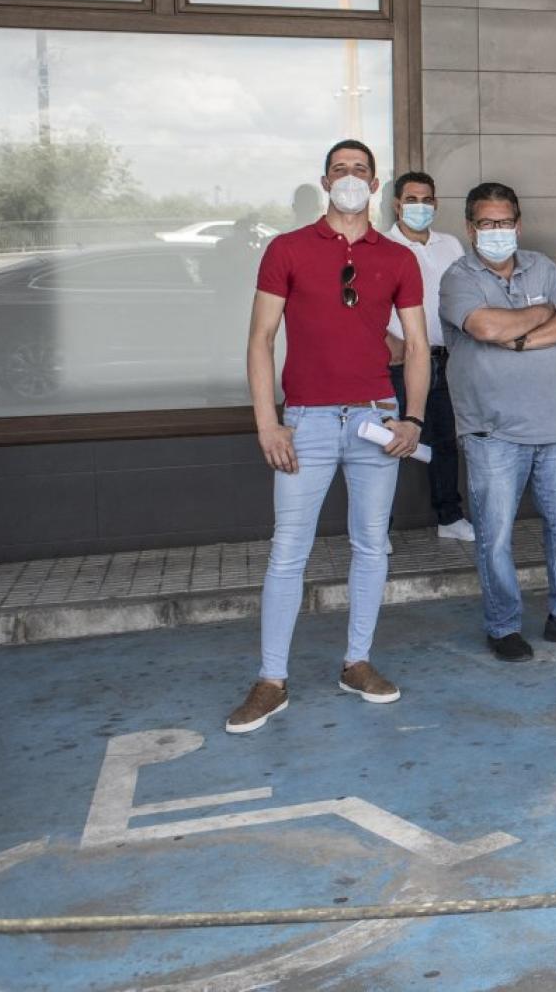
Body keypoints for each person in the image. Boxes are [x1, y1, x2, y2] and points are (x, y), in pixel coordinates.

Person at [225, 139, 429, 735]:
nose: (349, 178)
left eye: (359, 170)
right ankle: (271, 680)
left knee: (373, 545)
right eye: (339, 170)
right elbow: (261, 338)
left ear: (373, 184)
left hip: (375, 419)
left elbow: (416, 345)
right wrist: (269, 421)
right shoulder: (286, 249)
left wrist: (412, 420)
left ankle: (357, 663)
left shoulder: (396, 258)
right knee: (289, 551)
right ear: (324, 180)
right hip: (307, 422)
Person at [440, 182, 556, 661]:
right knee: (495, 537)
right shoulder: (459, 277)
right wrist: (540, 312)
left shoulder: (542, 265)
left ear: (518, 224)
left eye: (504, 223)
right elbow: (483, 327)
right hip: (492, 433)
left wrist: (520, 337)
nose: (497, 232)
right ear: (471, 228)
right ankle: (503, 626)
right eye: (486, 224)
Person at [384, 171, 472, 542]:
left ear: (435, 204)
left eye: (426, 200)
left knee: (445, 441)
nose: (419, 207)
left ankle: (449, 517)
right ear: (397, 204)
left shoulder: (450, 244)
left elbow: (464, 293)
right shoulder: (381, 246)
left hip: (446, 358)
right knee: (387, 444)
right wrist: (386, 341)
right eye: (411, 200)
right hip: (399, 364)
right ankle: (378, 529)